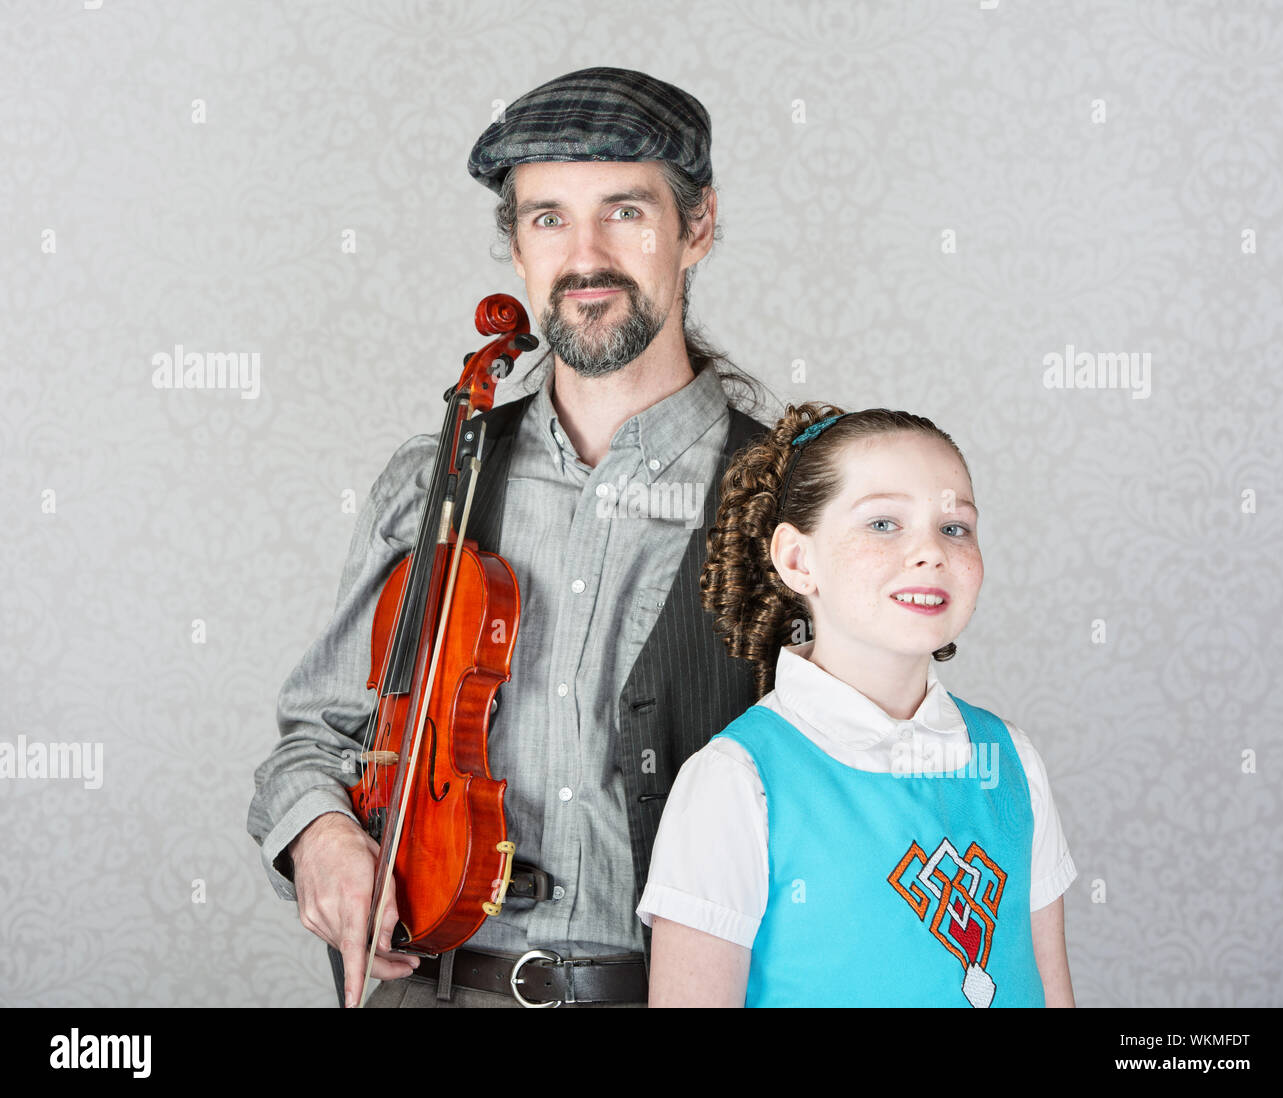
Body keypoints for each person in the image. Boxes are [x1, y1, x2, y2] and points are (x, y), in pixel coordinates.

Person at [246, 67, 771, 1008]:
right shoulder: (435, 481)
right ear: (519, 247)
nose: (585, 257)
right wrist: (321, 835)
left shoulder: (787, 494)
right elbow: (315, 739)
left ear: (697, 228)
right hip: (437, 988)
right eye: (548, 218)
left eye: (625, 212)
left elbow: (860, 765)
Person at [638, 404, 1078, 1007]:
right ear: (798, 560)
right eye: (883, 523)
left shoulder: (1014, 761)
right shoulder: (735, 782)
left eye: (955, 528)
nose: (930, 551)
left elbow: (1051, 991)